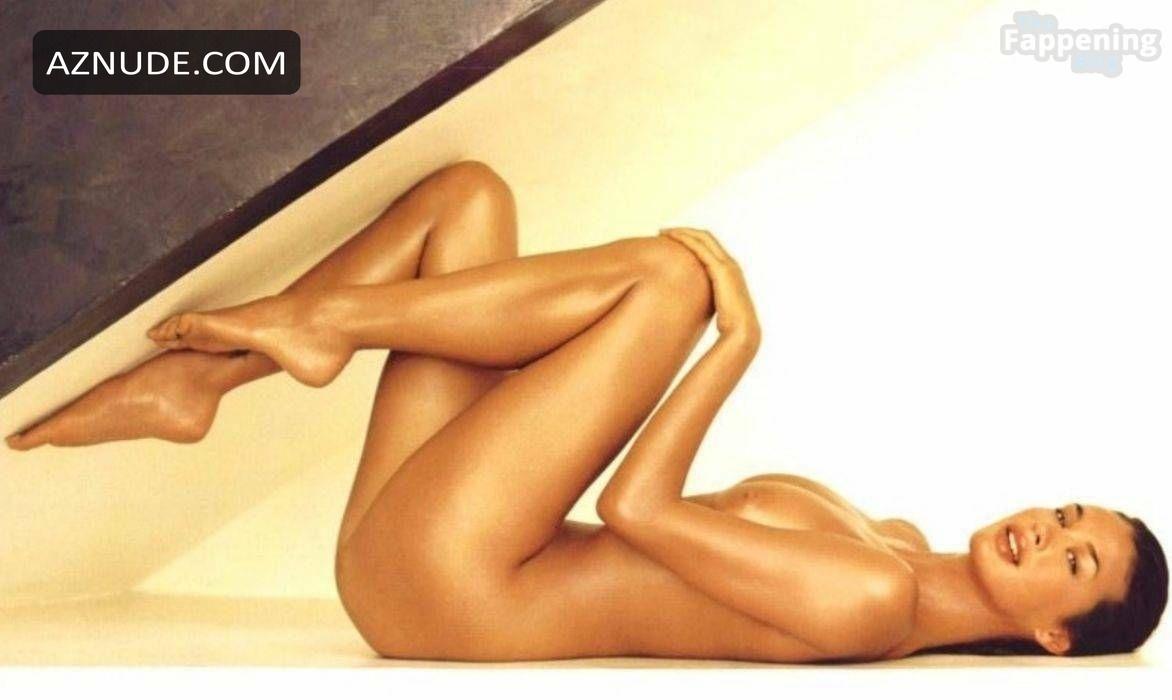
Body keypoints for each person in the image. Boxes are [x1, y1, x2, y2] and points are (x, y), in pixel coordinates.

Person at [7, 162, 1166, 663]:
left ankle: (317, 325)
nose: (1044, 530)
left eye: (1071, 563)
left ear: (1054, 637)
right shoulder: (893, 542)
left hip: (457, 594)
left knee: (672, 280)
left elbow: (637, 507)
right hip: (442, 551)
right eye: (1068, 513)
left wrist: (734, 345)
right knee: (466, 202)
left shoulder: (875, 601)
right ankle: (202, 384)